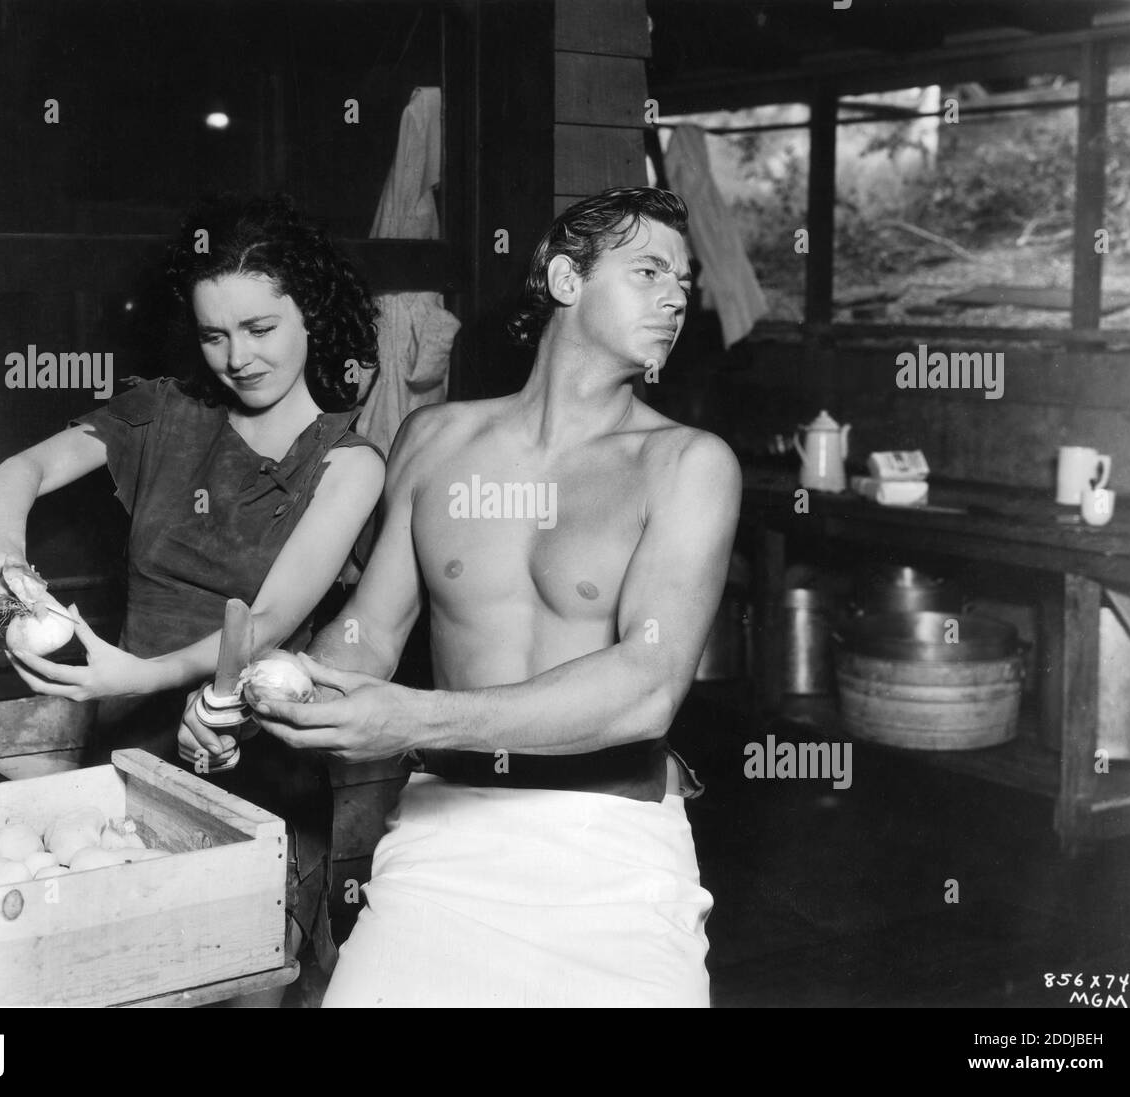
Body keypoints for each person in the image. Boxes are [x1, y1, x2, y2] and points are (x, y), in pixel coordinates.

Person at [182, 186, 741, 1007]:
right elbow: (368, 633)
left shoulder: (687, 465)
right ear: (563, 280)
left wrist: (412, 718)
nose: (675, 298)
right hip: (444, 833)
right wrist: (264, 689)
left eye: (684, 283)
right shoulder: (437, 440)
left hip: (612, 844)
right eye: (649, 270)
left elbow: (647, 688)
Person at [0, 193, 386, 976]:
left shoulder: (347, 462)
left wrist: (136, 673)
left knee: (238, 978)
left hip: (253, 756)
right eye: (215, 334)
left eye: (261, 329)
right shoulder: (163, 411)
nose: (238, 357)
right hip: (127, 755)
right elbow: (19, 471)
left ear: (312, 317)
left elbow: (265, 618)